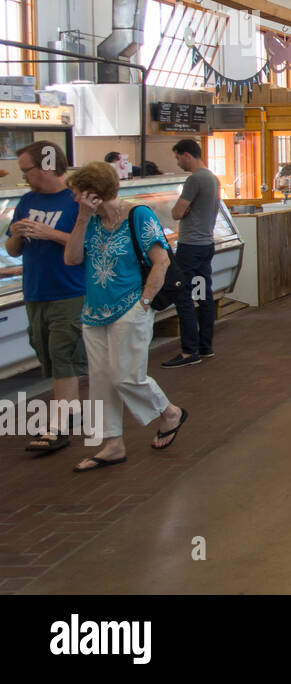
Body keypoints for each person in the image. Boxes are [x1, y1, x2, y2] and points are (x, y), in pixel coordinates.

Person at [63, 162, 188, 472]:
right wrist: (81, 219)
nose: (73, 198)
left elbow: (160, 261)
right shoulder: (89, 221)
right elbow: (71, 258)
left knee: (125, 376)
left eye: (76, 193)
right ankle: (113, 443)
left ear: (93, 193)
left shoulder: (138, 215)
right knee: (102, 381)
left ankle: (169, 411)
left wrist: (144, 302)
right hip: (94, 312)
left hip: (130, 306)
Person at [6, 142, 87, 455]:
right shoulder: (26, 200)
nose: (24, 176)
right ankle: (74, 414)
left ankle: (57, 427)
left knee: (63, 356)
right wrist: (16, 232)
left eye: (27, 169)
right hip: (35, 291)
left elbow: (87, 247)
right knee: (50, 358)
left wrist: (49, 233)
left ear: (47, 166)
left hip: (69, 292)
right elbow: (14, 251)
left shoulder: (76, 201)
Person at [163, 138, 219, 369]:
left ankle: (189, 351)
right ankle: (205, 346)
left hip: (190, 247)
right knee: (203, 294)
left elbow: (177, 213)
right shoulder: (212, 177)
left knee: (183, 294)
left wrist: (179, 211)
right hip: (205, 245)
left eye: (178, 157)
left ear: (187, 154)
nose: (178, 163)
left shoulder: (194, 179)